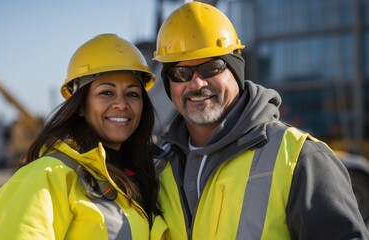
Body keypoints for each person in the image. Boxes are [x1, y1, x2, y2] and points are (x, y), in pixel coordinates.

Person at [150, 2, 369, 240]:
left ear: (235, 69)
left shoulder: (300, 159)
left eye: (211, 67)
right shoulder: (161, 167)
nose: (197, 84)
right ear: (169, 83)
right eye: (180, 73)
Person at [0, 33, 160, 239]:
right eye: (106, 92)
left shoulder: (146, 175)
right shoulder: (47, 175)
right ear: (80, 106)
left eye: (132, 94)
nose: (121, 104)